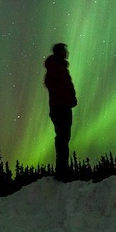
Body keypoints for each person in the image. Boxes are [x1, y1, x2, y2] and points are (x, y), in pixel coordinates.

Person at [43, 42, 77, 180]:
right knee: (62, 138)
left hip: (64, 106)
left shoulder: (60, 67)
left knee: (64, 138)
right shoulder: (55, 66)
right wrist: (64, 93)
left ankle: (63, 170)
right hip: (60, 107)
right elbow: (50, 83)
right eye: (64, 50)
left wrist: (70, 97)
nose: (67, 52)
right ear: (59, 52)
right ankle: (62, 172)